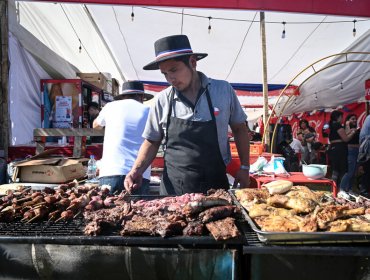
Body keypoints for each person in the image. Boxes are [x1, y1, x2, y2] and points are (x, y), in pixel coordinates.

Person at [124, 34, 250, 195]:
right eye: (165, 74)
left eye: (174, 70)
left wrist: (245, 167)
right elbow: (152, 141)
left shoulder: (223, 91)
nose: (171, 79)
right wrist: (136, 170)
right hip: (174, 190)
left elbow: (240, 129)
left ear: (192, 62)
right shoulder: (162, 100)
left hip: (215, 185)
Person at [93, 81, 153, 194]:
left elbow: (96, 125)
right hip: (139, 174)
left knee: (106, 211)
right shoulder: (148, 110)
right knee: (138, 211)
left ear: (123, 96)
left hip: (111, 171)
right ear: (141, 96)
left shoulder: (110, 107)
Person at [328, 110, 359, 188]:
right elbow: (345, 138)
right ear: (338, 117)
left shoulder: (332, 125)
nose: (342, 119)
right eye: (342, 117)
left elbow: (345, 133)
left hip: (334, 148)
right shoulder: (337, 125)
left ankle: (334, 188)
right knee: (341, 170)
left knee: (336, 169)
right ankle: (340, 188)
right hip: (339, 149)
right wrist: (353, 132)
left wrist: (348, 126)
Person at [340, 114, 360, 193]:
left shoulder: (357, 129)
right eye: (352, 119)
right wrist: (347, 125)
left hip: (357, 150)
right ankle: (342, 189)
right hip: (350, 150)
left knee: (354, 172)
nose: (355, 120)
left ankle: (350, 189)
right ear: (348, 120)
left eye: (355, 119)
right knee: (350, 171)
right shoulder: (346, 128)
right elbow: (346, 137)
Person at [358, 114, 370, 197]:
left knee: (367, 171)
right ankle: (364, 192)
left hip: (366, 149)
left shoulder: (368, 118)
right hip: (368, 149)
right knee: (368, 171)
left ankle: (364, 191)